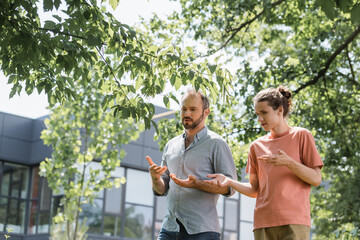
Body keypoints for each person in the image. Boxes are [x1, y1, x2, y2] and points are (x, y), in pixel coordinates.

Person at [206, 86, 324, 240]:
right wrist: (229, 182)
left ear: (280, 110)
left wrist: (289, 162)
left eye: (264, 113)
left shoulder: (301, 135)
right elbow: (255, 190)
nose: (260, 119)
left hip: (294, 221)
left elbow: (316, 178)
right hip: (263, 223)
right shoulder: (256, 146)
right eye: (257, 114)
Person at [146, 88, 237, 240]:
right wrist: (156, 179)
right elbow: (162, 189)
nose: (187, 114)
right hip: (170, 228)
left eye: (193, 109)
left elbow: (230, 187)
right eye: (184, 109)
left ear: (206, 112)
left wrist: (197, 184)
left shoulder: (217, 144)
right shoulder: (171, 145)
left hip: (202, 231)